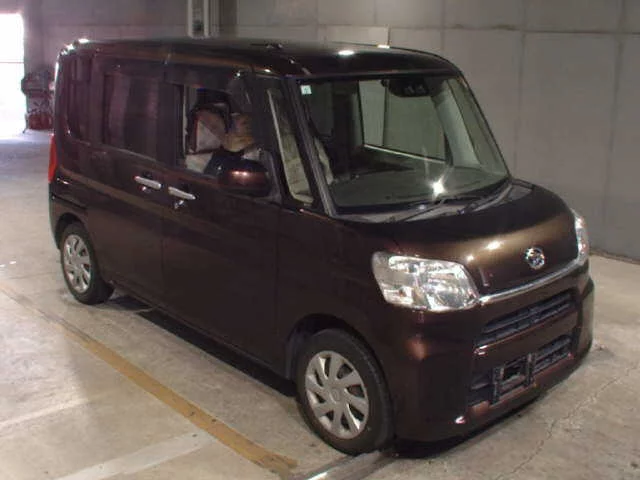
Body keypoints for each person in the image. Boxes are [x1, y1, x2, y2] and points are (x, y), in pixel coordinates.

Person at [203, 112, 259, 177]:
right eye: (244, 123)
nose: (248, 126)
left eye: (250, 123)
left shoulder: (257, 146)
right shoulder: (221, 153)